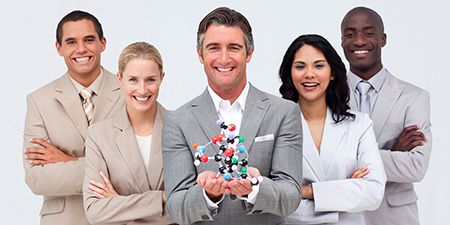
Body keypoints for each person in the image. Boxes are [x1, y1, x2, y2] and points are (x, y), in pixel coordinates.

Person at [162, 7, 302, 225]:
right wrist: (209, 195)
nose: (224, 58)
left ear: (249, 53)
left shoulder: (283, 112)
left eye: (234, 47)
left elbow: (291, 196)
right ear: (200, 55)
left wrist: (255, 187)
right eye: (214, 48)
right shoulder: (178, 121)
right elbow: (176, 207)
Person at [23, 10, 124, 225]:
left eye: (89, 40)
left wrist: (67, 162)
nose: (81, 49)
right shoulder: (39, 101)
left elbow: (140, 168)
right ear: (59, 48)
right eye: (71, 42)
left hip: (119, 218)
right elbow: (37, 179)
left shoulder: (130, 92)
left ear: (102, 43)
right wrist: (104, 169)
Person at [279, 34, 386, 224]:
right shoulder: (275, 124)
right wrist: (345, 192)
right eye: (300, 66)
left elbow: (374, 192)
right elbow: (273, 198)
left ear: (332, 72)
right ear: (290, 73)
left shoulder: (359, 125)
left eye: (319, 65)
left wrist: (306, 191)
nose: (309, 74)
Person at [340, 7, 432, 225]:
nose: (359, 41)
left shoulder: (414, 97)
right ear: (342, 41)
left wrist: (348, 157)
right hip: (341, 214)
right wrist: (392, 153)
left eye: (369, 33)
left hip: (395, 218)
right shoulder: (325, 97)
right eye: (350, 34)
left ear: (383, 39)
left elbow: (416, 167)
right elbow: (320, 163)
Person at [83, 42, 174, 225]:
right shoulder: (99, 135)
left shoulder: (181, 127)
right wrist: (162, 198)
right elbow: (94, 211)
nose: (142, 90)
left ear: (161, 78)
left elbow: (190, 207)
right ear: (119, 78)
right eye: (133, 80)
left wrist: (118, 203)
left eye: (150, 80)